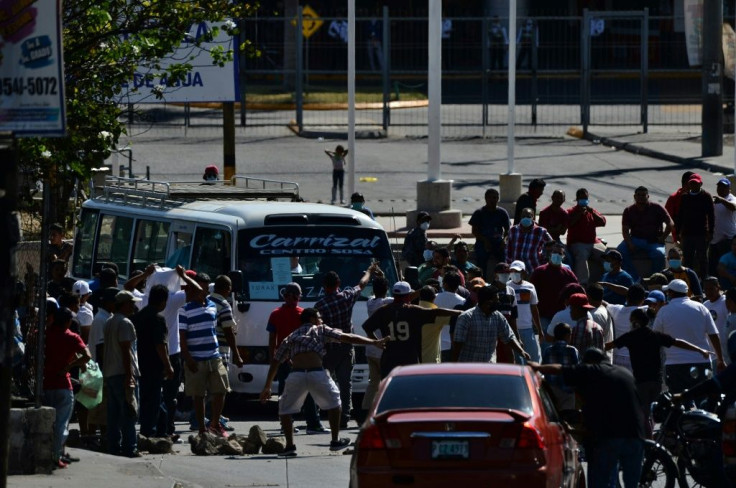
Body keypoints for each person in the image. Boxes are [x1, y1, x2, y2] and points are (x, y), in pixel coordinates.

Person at [260, 308, 389, 457]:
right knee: (335, 403)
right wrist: (374, 342)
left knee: (284, 409)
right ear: (313, 319)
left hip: (297, 374)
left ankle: (290, 446)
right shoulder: (320, 329)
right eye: (319, 318)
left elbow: (276, 360)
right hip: (317, 373)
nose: (321, 320)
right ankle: (335, 441)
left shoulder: (291, 336)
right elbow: (347, 337)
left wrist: (267, 386)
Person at [529, 349, 646, 488]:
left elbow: (560, 369)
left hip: (610, 437)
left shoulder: (593, 369)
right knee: (631, 484)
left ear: (590, 362)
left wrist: (538, 367)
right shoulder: (625, 374)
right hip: (636, 436)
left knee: (602, 482)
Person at [607, 308, 710, 436]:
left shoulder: (630, 336)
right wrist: (699, 350)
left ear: (635, 322)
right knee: (652, 413)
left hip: (641, 382)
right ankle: (656, 438)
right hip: (656, 381)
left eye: (631, 321)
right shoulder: (655, 335)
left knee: (643, 414)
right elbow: (678, 342)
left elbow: (609, 346)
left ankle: (649, 442)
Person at [315, 263, 379, 428]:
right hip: (346, 346)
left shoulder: (320, 305)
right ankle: (344, 416)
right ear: (338, 284)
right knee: (345, 383)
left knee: (324, 382)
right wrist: (370, 271)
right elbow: (362, 284)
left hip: (328, 349)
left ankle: (326, 414)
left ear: (324, 286)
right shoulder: (347, 297)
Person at [363, 281, 461, 378]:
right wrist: (459, 312)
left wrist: (376, 341)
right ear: (408, 295)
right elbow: (436, 312)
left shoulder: (383, 310)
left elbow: (366, 327)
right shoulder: (413, 310)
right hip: (409, 359)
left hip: (389, 359)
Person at [267, 282, 326, 434]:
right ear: (297, 297)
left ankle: (286, 425)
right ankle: (313, 424)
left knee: (284, 393)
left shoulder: (275, 314)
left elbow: (272, 338)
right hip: (300, 359)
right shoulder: (303, 314)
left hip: (282, 359)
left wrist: (273, 358)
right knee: (308, 391)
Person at [178, 272, 231, 437]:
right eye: (200, 287)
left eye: (206, 288)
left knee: (221, 390)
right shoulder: (184, 310)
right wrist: (188, 359)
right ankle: (202, 429)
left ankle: (214, 424)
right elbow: (183, 338)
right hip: (195, 359)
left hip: (214, 356)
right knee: (198, 395)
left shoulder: (212, 306)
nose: (204, 291)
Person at [653, 279, 726, 394]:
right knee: (703, 399)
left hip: (675, 365)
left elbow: (655, 336)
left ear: (671, 293)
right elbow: (713, 334)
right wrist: (720, 359)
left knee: (678, 403)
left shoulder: (664, 311)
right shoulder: (701, 308)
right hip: (701, 362)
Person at [43, 305, 91, 468]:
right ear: (69, 321)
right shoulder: (72, 337)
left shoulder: (44, 334)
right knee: (61, 424)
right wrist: (69, 366)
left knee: (47, 424)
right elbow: (87, 356)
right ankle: (55, 457)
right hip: (63, 384)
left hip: (45, 384)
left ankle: (50, 454)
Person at [131, 284, 174, 438]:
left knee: (153, 398)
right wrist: (168, 366)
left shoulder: (138, 316)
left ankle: (163, 430)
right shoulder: (157, 318)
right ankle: (149, 432)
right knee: (153, 400)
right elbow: (160, 345)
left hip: (139, 362)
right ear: (163, 301)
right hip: (153, 365)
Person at [104, 290, 141, 458]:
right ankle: (129, 448)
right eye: (131, 303)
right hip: (122, 373)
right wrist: (129, 375)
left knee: (113, 414)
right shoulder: (125, 322)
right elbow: (126, 350)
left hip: (111, 373)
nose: (134, 306)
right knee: (129, 412)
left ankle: (113, 446)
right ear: (125, 304)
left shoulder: (110, 321)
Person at [453, 286, 529, 363]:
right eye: (497, 300)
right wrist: (454, 367)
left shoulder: (498, 316)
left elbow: (508, 337)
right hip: (470, 367)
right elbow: (458, 344)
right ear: (488, 302)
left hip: (489, 367)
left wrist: (521, 351)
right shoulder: (466, 318)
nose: (499, 303)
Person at [617, 186, 674, 282]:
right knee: (620, 251)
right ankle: (634, 279)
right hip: (635, 239)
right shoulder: (629, 210)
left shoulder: (657, 208)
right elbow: (625, 230)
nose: (641, 197)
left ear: (648, 196)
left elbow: (671, 224)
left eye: (643, 195)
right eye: (638, 195)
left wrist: (663, 237)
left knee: (659, 254)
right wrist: (630, 243)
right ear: (634, 196)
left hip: (653, 241)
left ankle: (655, 280)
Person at [529, 241, 578, 340]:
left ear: (563, 256)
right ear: (550, 254)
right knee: (545, 345)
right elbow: (531, 294)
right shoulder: (539, 271)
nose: (556, 255)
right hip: (543, 316)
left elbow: (577, 291)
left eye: (560, 253)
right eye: (554, 252)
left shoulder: (568, 274)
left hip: (562, 316)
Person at [363, 276, 393, 412]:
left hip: (370, 347)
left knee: (373, 382)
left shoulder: (369, 302)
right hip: (382, 348)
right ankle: (384, 409)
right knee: (387, 382)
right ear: (386, 289)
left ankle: (365, 408)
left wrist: (381, 274)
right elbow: (403, 297)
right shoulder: (387, 302)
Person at [676, 173, 714, 278]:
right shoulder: (685, 197)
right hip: (687, 234)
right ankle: (689, 280)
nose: (693, 185)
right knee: (688, 259)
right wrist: (678, 232)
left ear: (700, 184)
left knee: (702, 259)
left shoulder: (706, 196)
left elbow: (711, 215)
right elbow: (680, 215)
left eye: (696, 183)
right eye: (691, 183)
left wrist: (710, 232)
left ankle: (704, 281)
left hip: (701, 234)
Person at [566, 188, 607, 285]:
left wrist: (592, 212)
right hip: (577, 243)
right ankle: (582, 284)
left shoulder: (591, 211)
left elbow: (603, 222)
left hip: (593, 243)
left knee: (608, 256)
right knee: (581, 257)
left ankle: (608, 280)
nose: (583, 200)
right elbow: (569, 223)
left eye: (585, 198)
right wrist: (580, 214)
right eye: (581, 198)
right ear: (577, 199)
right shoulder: (571, 211)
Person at [507, 260, 544, 363]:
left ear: (523, 272)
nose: (514, 273)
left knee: (533, 359)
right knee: (516, 361)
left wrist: (539, 329)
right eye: (512, 271)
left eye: (517, 271)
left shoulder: (530, 287)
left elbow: (534, 308)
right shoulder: (506, 286)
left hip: (527, 329)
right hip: (511, 330)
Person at [606, 284, 648, 371]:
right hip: (635, 358)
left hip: (616, 357)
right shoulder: (645, 310)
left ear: (627, 298)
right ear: (643, 300)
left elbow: (602, 302)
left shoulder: (616, 309)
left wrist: (605, 284)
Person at [469, 188, 510, 277]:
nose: (493, 200)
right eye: (491, 198)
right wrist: (484, 240)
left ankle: (503, 280)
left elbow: (508, 230)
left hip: (498, 242)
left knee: (504, 262)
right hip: (482, 242)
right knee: (481, 262)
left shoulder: (502, 212)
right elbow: (474, 231)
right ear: (486, 199)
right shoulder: (479, 213)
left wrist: (504, 240)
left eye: (495, 198)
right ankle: (482, 281)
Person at [541, 322, 579, 410]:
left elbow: (544, 368)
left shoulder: (548, 350)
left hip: (551, 389)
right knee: (568, 415)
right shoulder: (572, 350)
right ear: (567, 336)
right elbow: (576, 369)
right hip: (567, 389)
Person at [506, 207, 554, 273]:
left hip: (533, 268)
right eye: (523, 216)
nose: (525, 218)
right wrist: (509, 265)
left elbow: (552, 246)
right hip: (516, 270)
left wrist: (544, 261)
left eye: (528, 216)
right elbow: (508, 250)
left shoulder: (541, 231)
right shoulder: (513, 230)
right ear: (520, 217)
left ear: (533, 217)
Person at [489, 262, 519, 364]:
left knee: (508, 360)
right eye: (502, 273)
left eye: (507, 273)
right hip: (492, 331)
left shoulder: (511, 291)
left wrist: (517, 337)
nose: (505, 276)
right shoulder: (489, 290)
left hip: (507, 331)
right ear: (496, 274)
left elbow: (513, 316)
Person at [710, 177, 736, 277]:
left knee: (726, 267)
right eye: (719, 187)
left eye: (724, 187)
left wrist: (722, 200)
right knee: (713, 268)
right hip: (715, 239)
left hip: (728, 239)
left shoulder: (732, 199)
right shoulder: (715, 201)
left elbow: (733, 207)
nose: (721, 189)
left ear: (729, 189)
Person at [703, 276, 731, 365]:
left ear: (718, 287)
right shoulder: (704, 305)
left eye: (711, 289)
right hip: (712, 353)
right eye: (706, 289)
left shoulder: (726, 302)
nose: (708, 292)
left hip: (728, 351)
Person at [665, 170, 696, 244]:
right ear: (685, 183)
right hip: (681, 237)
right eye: (693, 183)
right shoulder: (674, 198)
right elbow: (668, 219)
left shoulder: (701, 196)